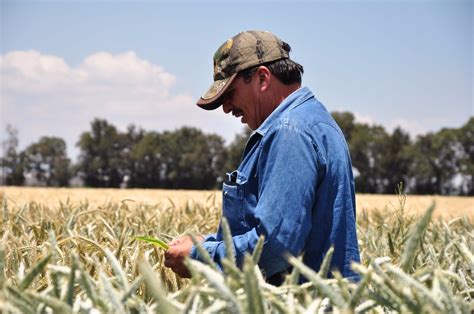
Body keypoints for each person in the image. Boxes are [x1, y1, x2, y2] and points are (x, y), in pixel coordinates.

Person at [164, 30, 360, 284]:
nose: (226, 108)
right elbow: (263, 230)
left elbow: (274, 246)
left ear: (262, 78)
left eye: (230, 94)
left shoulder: (289, 133)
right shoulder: (312, 120)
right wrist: (205, 242)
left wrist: (200, 257)